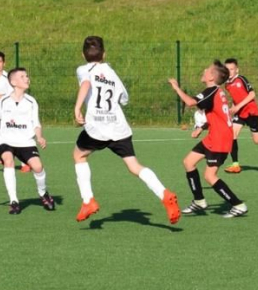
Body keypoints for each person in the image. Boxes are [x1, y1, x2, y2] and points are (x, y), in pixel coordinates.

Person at [73, 36, 180, 224]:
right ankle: (164, 193)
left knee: (79, 156)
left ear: (83, 55)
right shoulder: (111, 73)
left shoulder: (83, 69)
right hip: (118, 127)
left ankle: (88, 200)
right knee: (134, 166)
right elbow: (124, 99)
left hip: (97, 127)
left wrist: (77, 108)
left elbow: (86, 84)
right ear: (104, 54)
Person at [169, 60, 248, 218]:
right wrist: (201, 127)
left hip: (220, 140)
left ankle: (238, 205)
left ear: (211, 77)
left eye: (207, 70)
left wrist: (176, 88)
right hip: (214, 136)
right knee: (188, 162)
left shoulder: (211, 91)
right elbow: (218, 115)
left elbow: (190, 102)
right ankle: (199, 201)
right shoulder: (215, 92)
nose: (204, 70)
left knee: (209, 176)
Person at [0, 67, 54, 214]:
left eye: (27, 76)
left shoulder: (31, 102)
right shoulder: (3, 101)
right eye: (22, 77)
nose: (27, 78)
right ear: (13, 82)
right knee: (8, 160)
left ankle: (43, 193)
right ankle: (14, 201)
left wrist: (39, 137)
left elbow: (36, 124)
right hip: (5, 140)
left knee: (38, 167)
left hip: (25, 141)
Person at [0, 51, 30, 173]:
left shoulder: (8, 78)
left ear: (4, 63)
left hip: (8, 111)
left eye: (0, 61)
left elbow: (10, 95)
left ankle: (25, 163)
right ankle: (3, 153)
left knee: (14, 135)